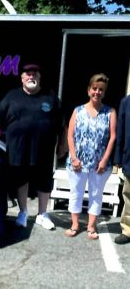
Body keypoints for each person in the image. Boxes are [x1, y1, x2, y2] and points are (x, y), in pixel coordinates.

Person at [0, 63, 64, 230]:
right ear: (22, 78)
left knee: (44, 181)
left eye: (35, 74)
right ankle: (23, 212)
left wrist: (63, 145)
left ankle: (42, 214)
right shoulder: (11, 97)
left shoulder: (50, 97)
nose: (31, 76)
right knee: (20, 180)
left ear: (39, 78)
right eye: (27, 74)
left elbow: (62, 124)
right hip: (18, 149)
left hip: (44, 149)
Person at [65, 73, 117, 240]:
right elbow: (70, 135)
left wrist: (104, 159)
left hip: (99, 165)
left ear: (104, 92)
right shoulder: (78, 111)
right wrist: (73, 157)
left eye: (101, 89)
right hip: (78, 163)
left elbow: (113, 136)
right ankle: (74, 224)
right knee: (76, 193)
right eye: (94, 88)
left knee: (96, 194)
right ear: (88, 90)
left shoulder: (110, 112)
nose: (97, 92)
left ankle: (91, 226)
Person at [114, 95, 130, 244]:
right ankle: (127, 230)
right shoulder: (126, 102)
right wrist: (118, 158)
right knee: (129, 196)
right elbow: (121, 130)